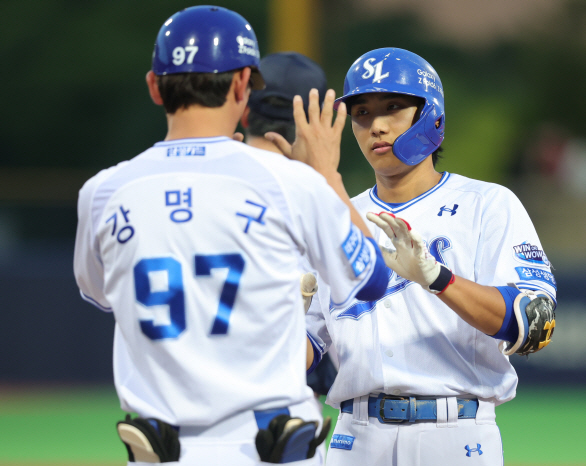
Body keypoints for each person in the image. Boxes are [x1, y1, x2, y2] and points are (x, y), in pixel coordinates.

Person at [72, 7, 390, 466]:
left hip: (160, 449)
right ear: (243, 86)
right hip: (270, 446)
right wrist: (326, 175)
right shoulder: (289, 182)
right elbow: (374, 280)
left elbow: (100, 294)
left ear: (154, 86)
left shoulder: (104, 192)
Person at [300, 48, 557, 466]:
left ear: (430, 114)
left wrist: (440, 279)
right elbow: (305, 357)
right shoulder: (336, 216)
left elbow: (536, 322)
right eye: (362, 112)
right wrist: (281, 320)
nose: (376, 126)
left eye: (394, 107)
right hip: (355, 438)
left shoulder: (486, 204)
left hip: (455, 434)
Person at [240, 51, 339, 397]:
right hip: (296, 400)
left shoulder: (207, 186)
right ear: (321, 121)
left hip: (200, 391)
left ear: (245, 111)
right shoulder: (328, 204)